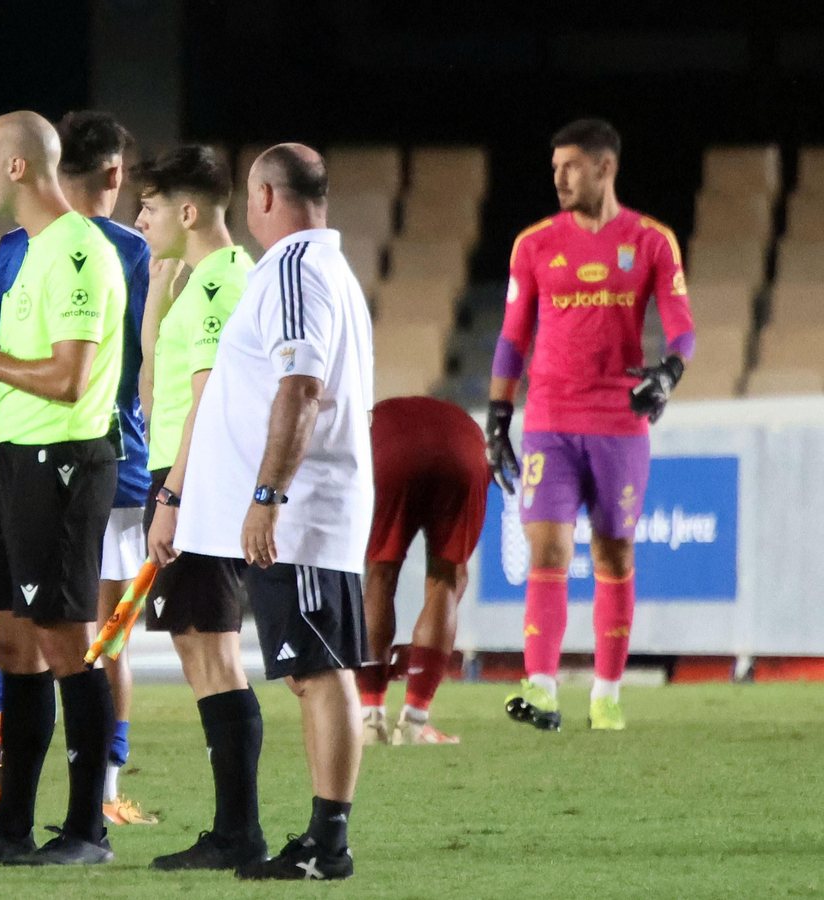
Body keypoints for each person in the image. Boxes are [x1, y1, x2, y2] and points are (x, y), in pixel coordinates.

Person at [0, 110, 156, 828]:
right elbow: (13, 372)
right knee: (13, 645)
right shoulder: (26, 252)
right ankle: (11, 827)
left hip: (65, 464)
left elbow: (71, 378)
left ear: (18, 167)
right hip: (20, 462)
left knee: (69, 646)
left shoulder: (80, 251)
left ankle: (84, 826)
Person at [173, 144, 374, 882]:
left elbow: (300, 387)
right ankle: (324, 838)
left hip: (301, 512)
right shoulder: (319, 269)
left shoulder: (292, 269)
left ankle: (329, 843)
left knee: (321, 673)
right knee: (311, 673)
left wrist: (265, 497)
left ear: (261, 196)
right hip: (303, 510)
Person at [490, 118, 696, 732]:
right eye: (554, 167)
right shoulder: (533, 244)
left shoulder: (652, 241)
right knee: (546, 549)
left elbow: (681, 324)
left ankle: (606, 694)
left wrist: (669, 373)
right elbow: (511, 338)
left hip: (618, 421)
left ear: (604, 167)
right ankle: (543, 688)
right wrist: (498, 416)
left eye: (570, 166)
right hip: (549, 419)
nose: (557, 178)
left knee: (613, 551)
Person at [130, 145, 265, 872]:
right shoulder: (200, 281)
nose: (142, 221)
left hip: (201, 486)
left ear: (187, 212)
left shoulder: (222, 284)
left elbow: (208, 400)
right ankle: (231, 830)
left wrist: (174, 498)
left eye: (149, 209)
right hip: (184, 479)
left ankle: (238, 833)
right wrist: (157, 293)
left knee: (214, 651)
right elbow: (159, 386)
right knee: (197, 647)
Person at [355, 396, 490, 746]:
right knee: (447, 579)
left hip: (389, 454)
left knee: (379, 576)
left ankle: (370, 718)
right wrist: (423, 652)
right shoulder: (460, 422)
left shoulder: (381, 416)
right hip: (463, 454)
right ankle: (414, 722)